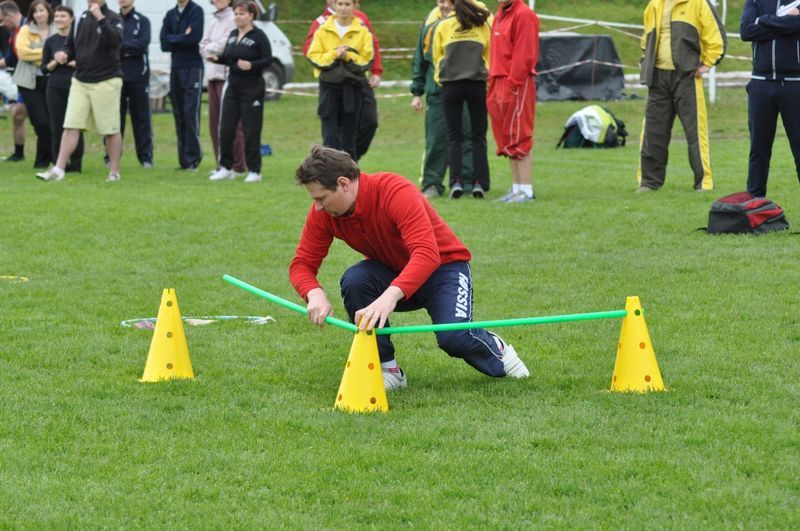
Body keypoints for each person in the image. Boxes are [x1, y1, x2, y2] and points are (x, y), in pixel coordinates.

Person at [289, 145, 530, 391]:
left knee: (453, 338)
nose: (318, 207)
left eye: (321, 198)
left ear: (343, 184)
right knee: (355, 280)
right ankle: (388, 370)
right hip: (393, 272)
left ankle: (498, 350)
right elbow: (301, 264)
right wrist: (313, 293)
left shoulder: (394, 191)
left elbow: (426, 254)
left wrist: (389, 297)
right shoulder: (324, 214)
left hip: (444, 269)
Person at [636, 0, 726, 193]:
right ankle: (649, 182)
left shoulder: (699, 3)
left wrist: (707, 63)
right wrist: (646, 61)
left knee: (696, 133)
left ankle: (703, 183)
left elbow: (716, 36)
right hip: (657, 78)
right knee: (653, 132)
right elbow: (646, 39)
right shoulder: (654, 4)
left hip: (687, 77)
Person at [35, 0, 124, 182]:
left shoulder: (114, 18)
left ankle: (114, 172)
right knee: (70, 125)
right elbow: (71, 46)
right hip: (80, 79)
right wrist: (64, 54)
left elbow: (115, 42)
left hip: (106, 79)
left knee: (110, 128)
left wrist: (101, 19)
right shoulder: (81, 18)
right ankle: (59, 169)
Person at [302, 0, 382, 161]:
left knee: (352, 136)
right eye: (340, 4)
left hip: (353, 87)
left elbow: (368, 56)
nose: (343, 8)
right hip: (329, 87)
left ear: (354, 5)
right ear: (333, 4)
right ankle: (329, 170)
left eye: (347, 4)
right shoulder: (321, 26)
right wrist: (334, 54)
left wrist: (349, 57)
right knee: (330, 137)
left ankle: (350, 166)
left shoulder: (362, 27)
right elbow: (311, 54)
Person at [411, 0, 475, 200]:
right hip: (437, 94)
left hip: (465, 91)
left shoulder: (469, 27)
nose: (445, 5)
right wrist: (417, 92)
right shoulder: (429, 29)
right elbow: (419, 62)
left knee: (466, 136)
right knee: (436, 140)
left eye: (450, 1)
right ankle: (432, 184)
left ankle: (466, 183)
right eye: (441, 1)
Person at [432, 0, 492, 199]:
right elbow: (490, 53)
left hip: (451, 86)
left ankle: (456, 181)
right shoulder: (481, 23)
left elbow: (437, 58)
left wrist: (442, 81)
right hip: (477, 84)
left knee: (453, 136)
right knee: (478, 136)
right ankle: (479, 183)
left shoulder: (443, 25)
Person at [207, 0, 272, 183]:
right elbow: (230, 58)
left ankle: (255, 170)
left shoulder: (259, 36)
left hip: (252, 87)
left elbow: (268, 60)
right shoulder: (233, 34)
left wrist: (252, 65)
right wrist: (217, 59)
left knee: (251, 130)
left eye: (242, 14)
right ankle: (226, 167)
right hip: (232, 85)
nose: (238, 17)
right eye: (236, 14)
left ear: (251, 16)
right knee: (226, 129)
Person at [740, 1, 800, 197]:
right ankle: (755, 204)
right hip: (760, 84)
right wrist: (784, 23)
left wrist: (763, 21)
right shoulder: (755, 1)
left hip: (795, 84)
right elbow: (746, 31)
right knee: (758, 150)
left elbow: (797, 24)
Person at [488, 0, 539, 203]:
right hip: (497, 80)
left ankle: (526, 190)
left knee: (519, 134)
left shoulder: (524, 15)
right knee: (506, 136)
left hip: (516, 82)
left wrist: (513, 82)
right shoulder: (499, 15)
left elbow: (524, 53)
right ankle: (516, 188)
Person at [200, 0, 246, 177]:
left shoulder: (233, 18)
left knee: (231, 123)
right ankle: (221, 164)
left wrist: (210, 49)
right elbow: (202, 46)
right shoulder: (213, 22)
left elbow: (224, 45)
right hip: (212, 76)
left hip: (226, 76)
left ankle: (238, 165)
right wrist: (209, 49)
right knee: (214, 123)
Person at [160, 0, 204, 171]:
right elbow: (164, 43)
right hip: (175, 67)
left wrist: (174, 38)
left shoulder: (196, 11)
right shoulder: (170, 14)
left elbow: (193, 39)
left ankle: (193, 158)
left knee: (190, 113)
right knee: (178, 113)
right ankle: (184, 161)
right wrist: (181, 37)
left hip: (192, 67)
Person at [41, 3, 83, 172]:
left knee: (75, 125)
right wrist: (55, 61)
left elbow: (88, 61)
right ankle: (58, 164)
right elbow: (44, 69)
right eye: (57, 16)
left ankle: (76, 164)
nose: (59, 19)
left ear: (71, 19)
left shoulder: (79, 39)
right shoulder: (51, 41)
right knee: (57, 125)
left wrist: (75, 62)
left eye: (63, 16)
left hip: (77, 86)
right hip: (55, 87)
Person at [14, 0, 52, 168]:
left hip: (51, 80)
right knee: (40, 121)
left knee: (50, 121)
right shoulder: (25, 30)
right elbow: (23, 53)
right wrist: (48, 54)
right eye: (35, 11)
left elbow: (64, 50)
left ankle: (42, 162)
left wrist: (35, 53)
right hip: (29, 82)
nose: (39, 14)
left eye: (42, 10)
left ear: (48, 12)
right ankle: (56, 155)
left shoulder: (57, 29)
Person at [116, 0, 153, 168]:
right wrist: (127, 49)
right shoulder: (112, 20)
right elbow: (108, 44)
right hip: (115, 75)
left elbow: (142, 44)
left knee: (141, 118)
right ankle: (111, 156)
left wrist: (121, 47)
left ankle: (146, 158)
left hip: (138, 76)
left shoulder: (142, 20)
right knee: (115, 119)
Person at [0, 1, 27, 163]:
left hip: (35, 80)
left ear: (9, 15)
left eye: (3, 19)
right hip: (22, 79)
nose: (2, 24)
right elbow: (10, 58)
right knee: (18, 114)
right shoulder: (14, 32)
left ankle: (49, 155)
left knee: (42, 120)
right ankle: (19, 153)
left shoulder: (28, 27)